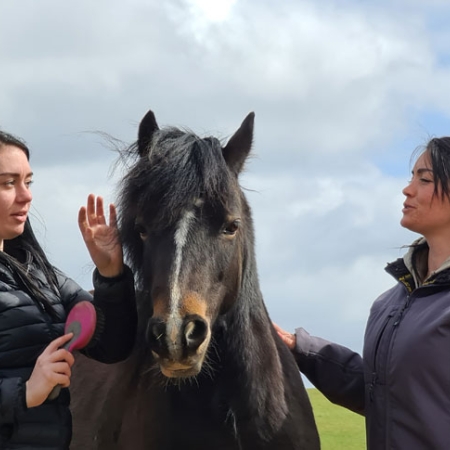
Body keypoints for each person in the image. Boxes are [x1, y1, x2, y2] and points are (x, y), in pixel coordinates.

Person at [274, 136, 450, 450]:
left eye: (424, 179)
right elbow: (379, 393)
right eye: (411, 177)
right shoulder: (389, 304)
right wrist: (298, 347)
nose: (407, 188)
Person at [0, 130, 137, 449]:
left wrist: (111, 273)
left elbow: (111, 346)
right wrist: (25, 392)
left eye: (28, 182)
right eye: (8, 183)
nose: (26, 196)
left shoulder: (41, 275)